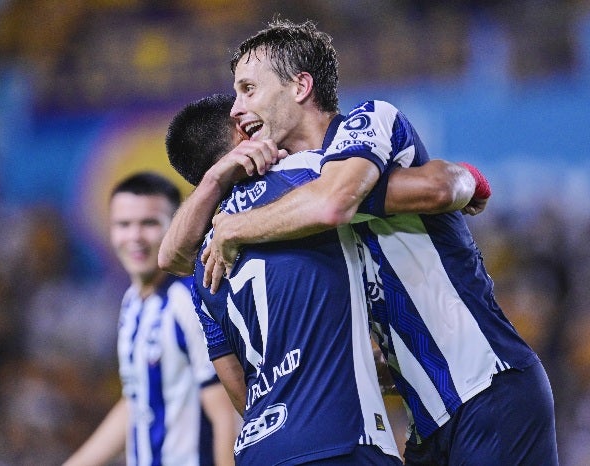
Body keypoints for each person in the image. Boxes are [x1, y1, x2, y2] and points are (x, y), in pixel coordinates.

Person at [201, 19, 558, 465]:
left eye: (248, 89)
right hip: (427, 422)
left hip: (486, 389)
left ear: (300, 87)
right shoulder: (293, 194)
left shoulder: (368, 121)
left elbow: (336, 202)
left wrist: (235, 226)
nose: (236, 108)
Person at [160, 93, 479, 466]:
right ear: (242, 135)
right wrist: (474, 179)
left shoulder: (204, 264)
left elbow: (240, 390)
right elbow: (435, 189)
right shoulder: (310, 181)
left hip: (260, 451)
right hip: (344, 442)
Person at [64, 172, 238, 466]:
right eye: (124, 225)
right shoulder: (133, 302)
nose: (135, 237)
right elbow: (136, 400)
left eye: (149, 223)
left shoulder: (188, 301)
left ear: (176, 228)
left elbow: (226, 413)